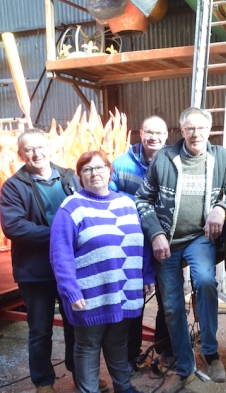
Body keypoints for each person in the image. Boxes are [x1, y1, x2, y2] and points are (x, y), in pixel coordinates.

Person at [135, 107, 226, 391]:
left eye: (201, 129)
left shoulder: (221, 157)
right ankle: (185, 366)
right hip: (167, 240)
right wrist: (155, 234)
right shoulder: (164, 158)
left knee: (205, 282)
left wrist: (221, 207)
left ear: (210, 130)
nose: (196, 134)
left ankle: (210, 351)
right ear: (181, 131)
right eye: (190, 129)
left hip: (199, 238)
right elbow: (142, 200)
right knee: (171, 306)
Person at [0, 129, 103, 393]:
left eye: (40, 147)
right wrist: (60, 235)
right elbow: (14, 226)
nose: (37, 153)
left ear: (49, 147)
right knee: (40, 330)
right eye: (29, 150)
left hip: (70, 268)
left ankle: (81, 375)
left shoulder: (70, 177)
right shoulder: (13, 186)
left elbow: (88, 206)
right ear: (21, 154)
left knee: (76, 325)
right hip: (36, 271)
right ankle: (43, 382)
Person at [49, 150, 155, 393]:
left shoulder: (127, 203)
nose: (94, 173)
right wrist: (70, 291)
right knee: (88, 346)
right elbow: (60, 253)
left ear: (110, 172)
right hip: (90, 294)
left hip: (124, 289)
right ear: (79, 176)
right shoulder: (71, 207)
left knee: (118, 342)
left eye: (99, 168)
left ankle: (123, 386)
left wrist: (147, 275)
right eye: (87, 169)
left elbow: (142, 243)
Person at [109, 115, 178, 374]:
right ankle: (130, 354)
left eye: (159, 133)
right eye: (149, 132)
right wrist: (141, 203)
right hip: (131, 245)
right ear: (141, 133)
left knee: (167, 299)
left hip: (164, 241)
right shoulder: (121, 164)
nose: (154, 138)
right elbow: (110, 197)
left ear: (166, 135)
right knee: (133, 302)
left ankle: (165, 350)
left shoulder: (172, 162)